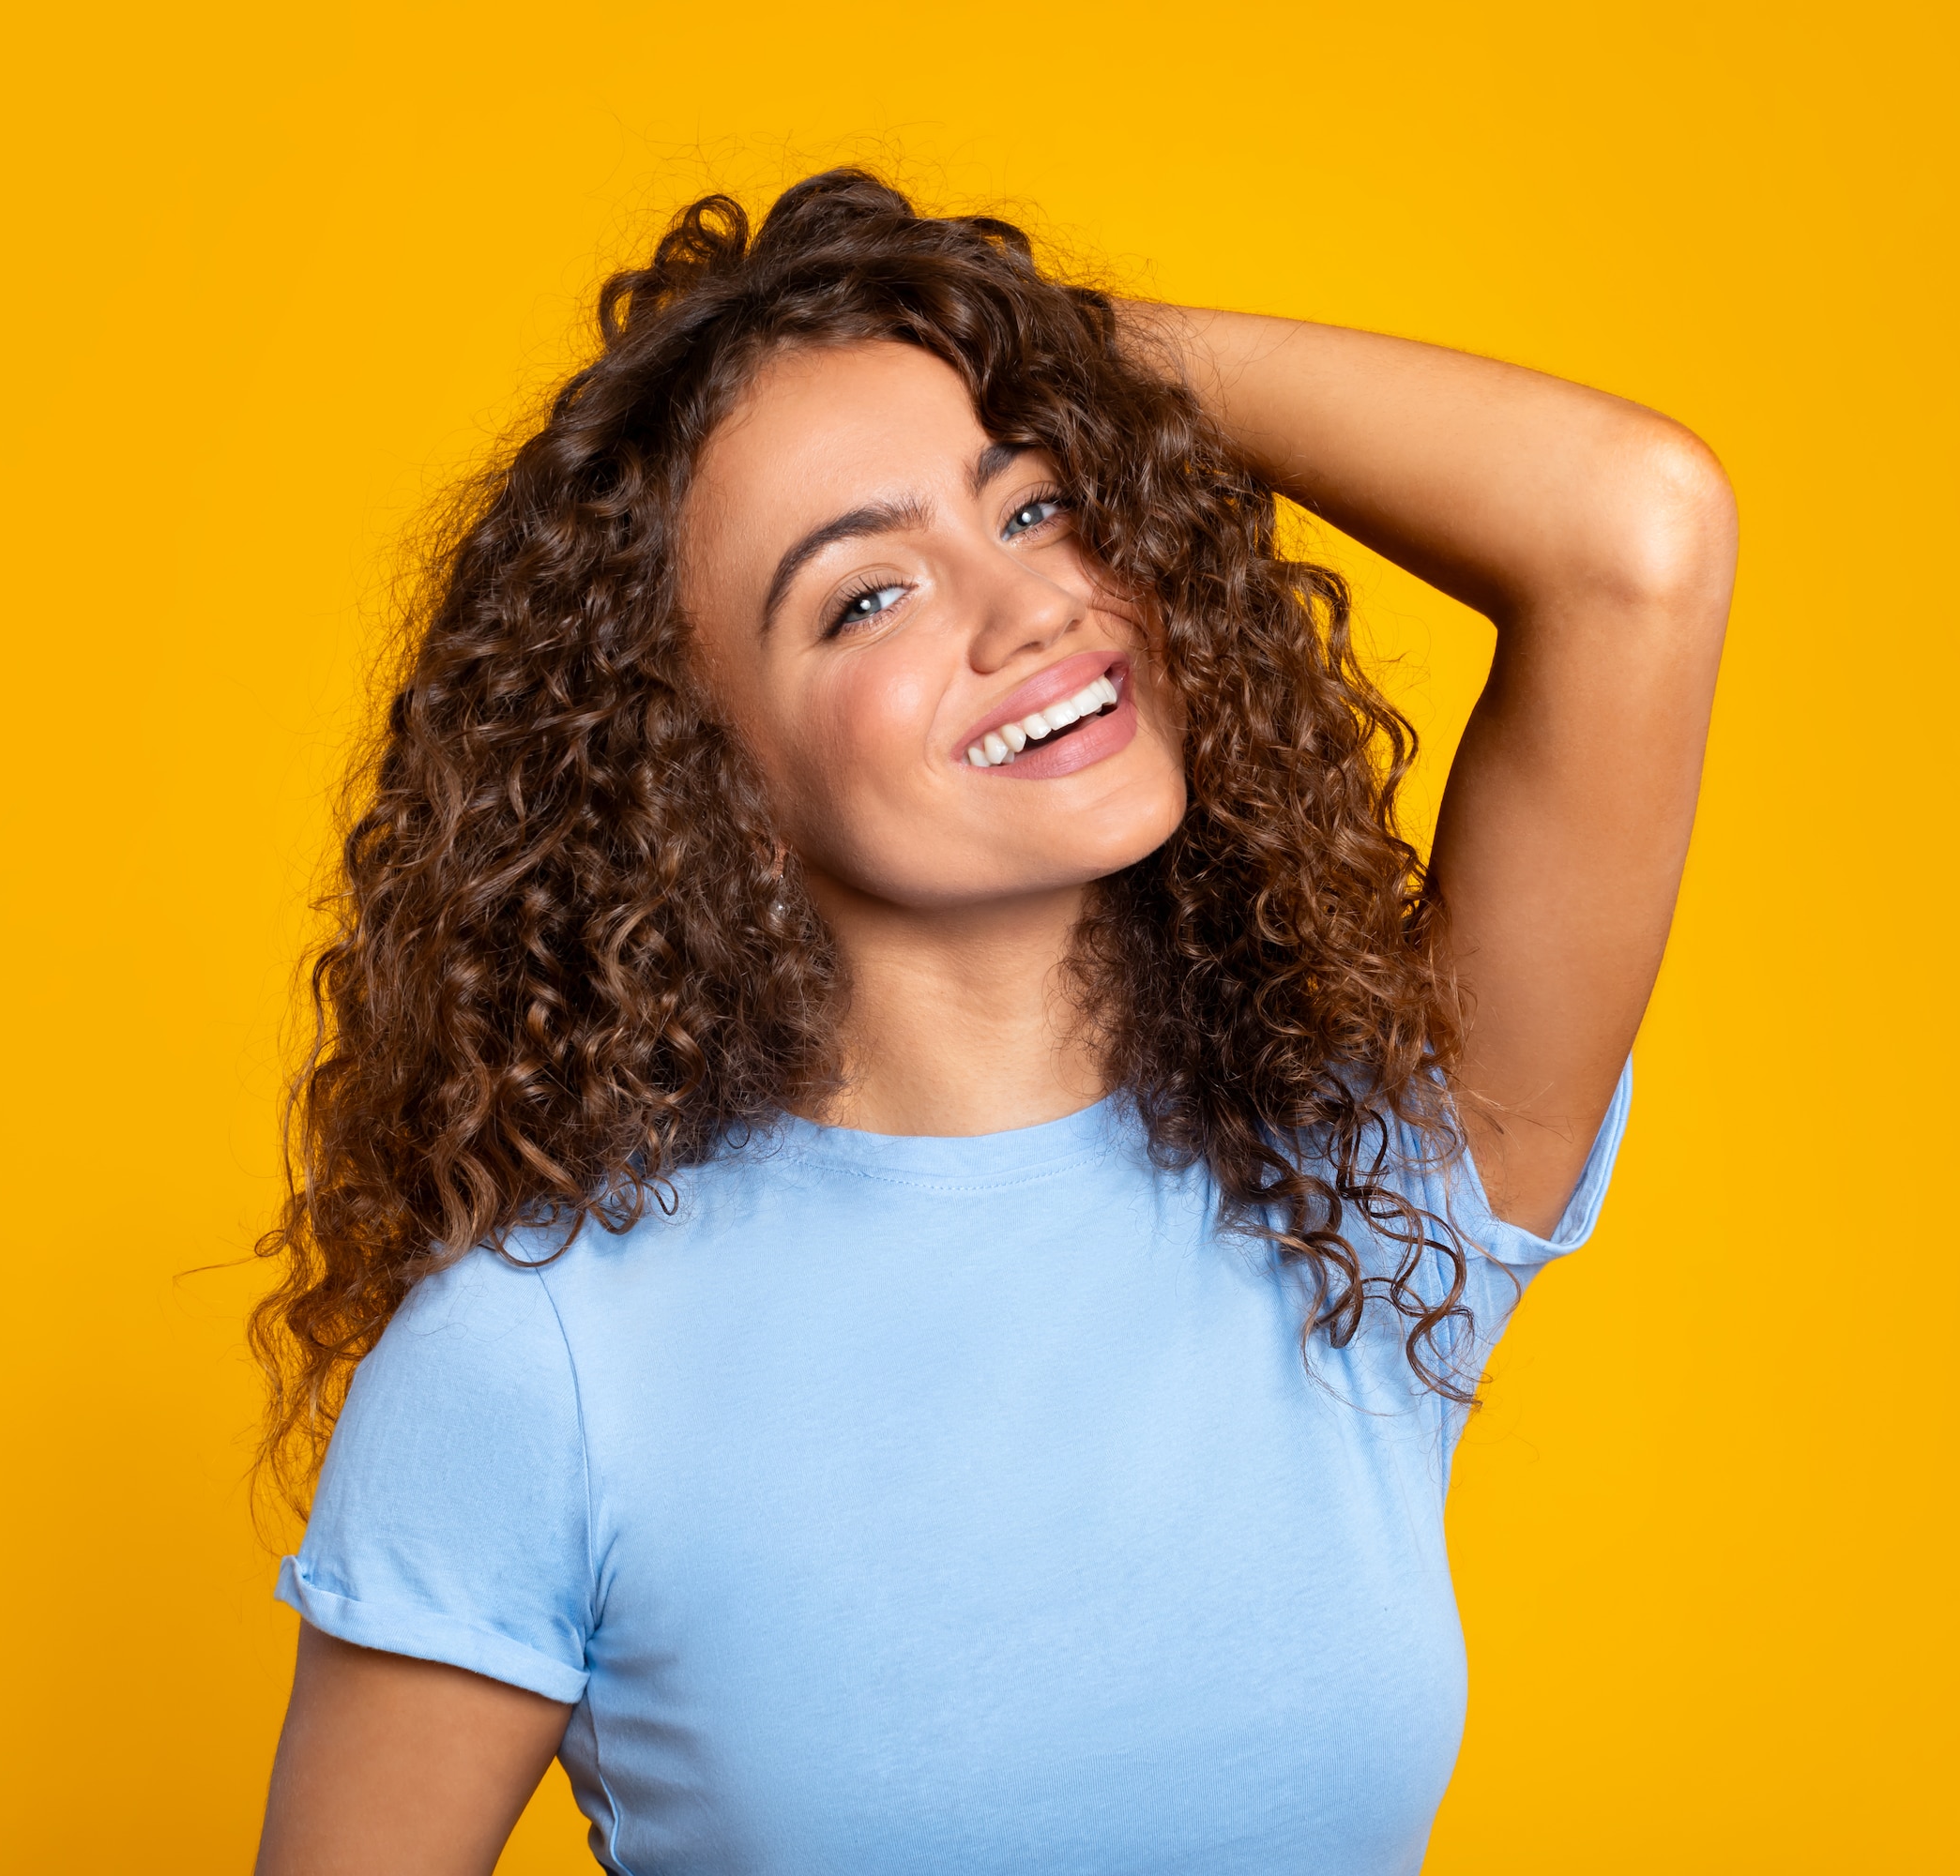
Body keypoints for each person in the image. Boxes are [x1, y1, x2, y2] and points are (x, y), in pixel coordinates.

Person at [250, 170, 1733, 1875]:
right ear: (705, 779)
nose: (1033, 607)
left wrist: (1047, 346)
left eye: (1036, 508)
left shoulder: (1364, 1185)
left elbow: (1641, 530)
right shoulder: (542, 1362)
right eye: (866, 595)